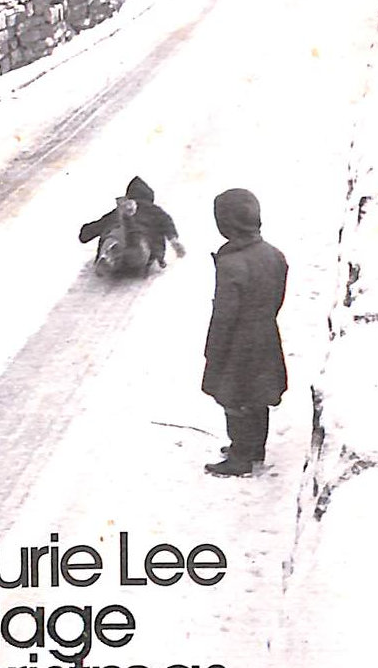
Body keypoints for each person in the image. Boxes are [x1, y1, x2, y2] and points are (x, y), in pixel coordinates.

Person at [202, 189, 288, 477]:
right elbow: (277, 298)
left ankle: (240, 457)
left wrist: (214, 350)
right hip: (266, 334)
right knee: (257, 394)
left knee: (234, 397)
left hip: (238, 341)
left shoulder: (231, 264)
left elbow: (224, 314)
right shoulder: (274, 254)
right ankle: (255, 447)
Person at [78, 176, 185, 275]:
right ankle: (133, 246)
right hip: (143, 249)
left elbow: (91, 231)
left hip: (120, 238)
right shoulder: (155, 210)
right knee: (138, 242)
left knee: (114, 234)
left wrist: (85, 232)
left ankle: (110, 255)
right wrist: (173, 240)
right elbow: (167, 224)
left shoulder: (117, 212)